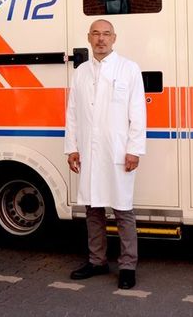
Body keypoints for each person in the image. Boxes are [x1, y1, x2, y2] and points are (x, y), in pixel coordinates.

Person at [64, 19, 146, 290]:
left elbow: (138, 112)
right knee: (93, 208)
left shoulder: (128, 69)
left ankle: (127, 265)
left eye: (106, 34)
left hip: (118, 151)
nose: (101, 39)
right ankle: (97, 261)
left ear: (114, 38)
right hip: (89, 151)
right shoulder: (82, 72)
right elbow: (73, 113)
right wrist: (72, 147)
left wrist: (134, 149)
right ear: (89, 37)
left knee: (123, 210)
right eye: (96, 34)